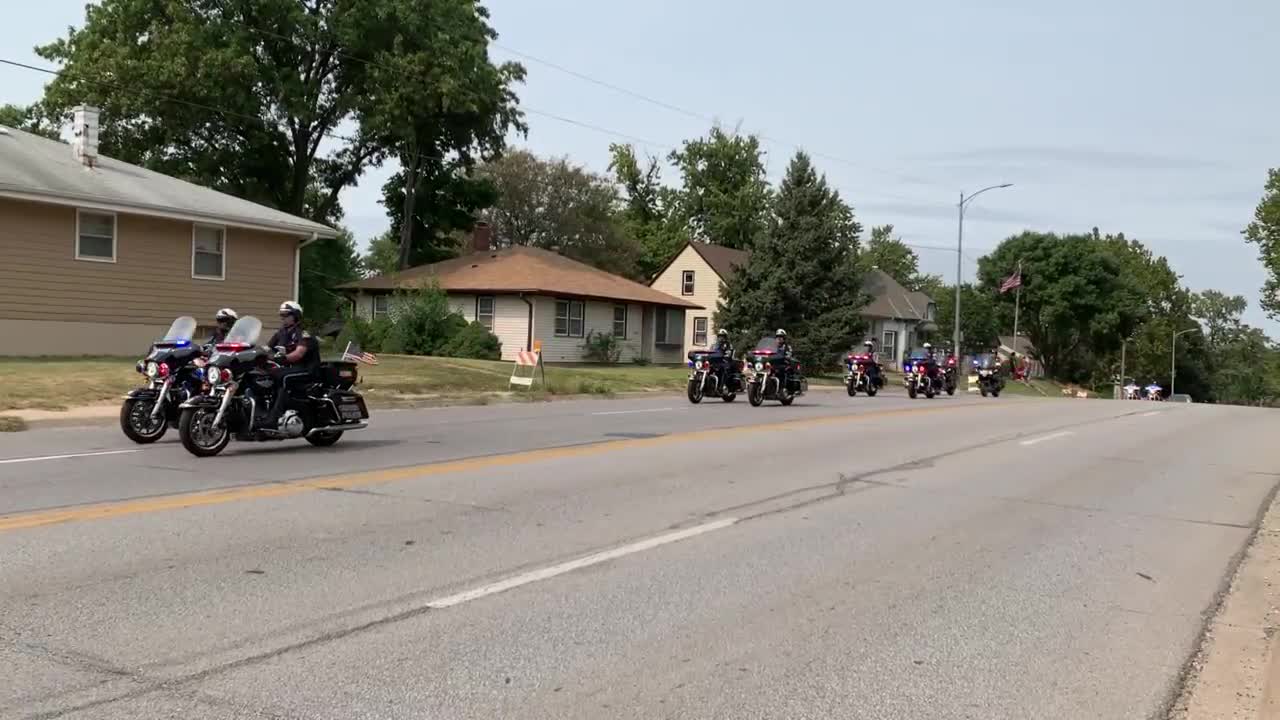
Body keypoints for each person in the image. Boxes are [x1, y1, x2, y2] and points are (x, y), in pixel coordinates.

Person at [262, 301, 320, 427]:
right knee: (265, 375)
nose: (283, 318)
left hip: (307, 369)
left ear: (296, 316)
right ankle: (263, 412)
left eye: (286, 315)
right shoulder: (281, 332)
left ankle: (274, 417)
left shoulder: (304, 333)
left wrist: (282, 359)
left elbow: (299, 353)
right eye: (281, 315)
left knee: (283, 377)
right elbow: (267, 348)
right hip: (290, 368)